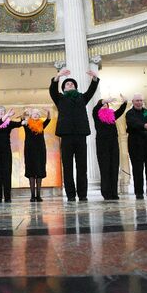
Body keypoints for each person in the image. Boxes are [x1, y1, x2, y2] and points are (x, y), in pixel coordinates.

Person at [49, 68, 99, 202]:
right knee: (68, 166)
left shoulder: (82, 97)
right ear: (64, 89)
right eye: (67, 84)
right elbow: (52, 90)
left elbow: (91, 91)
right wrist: (58, 76)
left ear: (75, 87)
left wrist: (94, 79)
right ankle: (70, 195)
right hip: (66, 136)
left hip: (80, 134)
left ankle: (82, 194)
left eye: (72, 84)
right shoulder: (59, 98)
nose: (70, 85)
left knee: (82, 166)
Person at [92, 95, 127, 200]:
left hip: (113, 143)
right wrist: (103, 101)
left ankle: (114, 193)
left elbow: (120, 111)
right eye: (103, 104)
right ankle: (106, 193)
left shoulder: (112, 116)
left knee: (114, 167)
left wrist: (125, 102)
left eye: (106, 104)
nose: (104, 106)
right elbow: (96, 108)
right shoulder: (96, 115)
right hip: (102, 145)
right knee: (105, 168)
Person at [0, 106, 21, 203]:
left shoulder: (9, 123)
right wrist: (7, 115)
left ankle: (7, 197)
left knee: (7, 173)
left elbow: (19, 124)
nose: (1, 112)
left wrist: (23, 118)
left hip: (6, 150)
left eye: (3, 111)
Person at [22, 108, 51, 202]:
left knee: (39, 172)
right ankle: (32, 196)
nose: (36, 115)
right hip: (29, 151)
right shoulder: (27, 124)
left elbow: (48, 120)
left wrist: (48, 112)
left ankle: (38, 196)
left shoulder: (42, 124)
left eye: (38, 114)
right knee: (31, 172)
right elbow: (22, 118)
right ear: (31, 115)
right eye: (34, 114)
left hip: (40, 151)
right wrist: (25, 112)